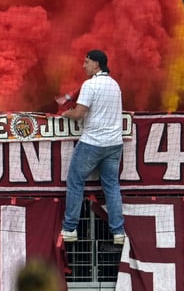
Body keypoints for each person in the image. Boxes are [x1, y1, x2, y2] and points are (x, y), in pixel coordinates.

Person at [60, 49, 126, 245]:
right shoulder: (115, 85)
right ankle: (118, 231)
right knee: (112, 186)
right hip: (114, 144)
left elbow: (79, 113)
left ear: (96, 64)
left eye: (86, 61)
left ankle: (70, 228)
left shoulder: (90, 85)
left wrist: (65, 113)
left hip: (92, 142)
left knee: (75, 181)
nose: (83, 65)